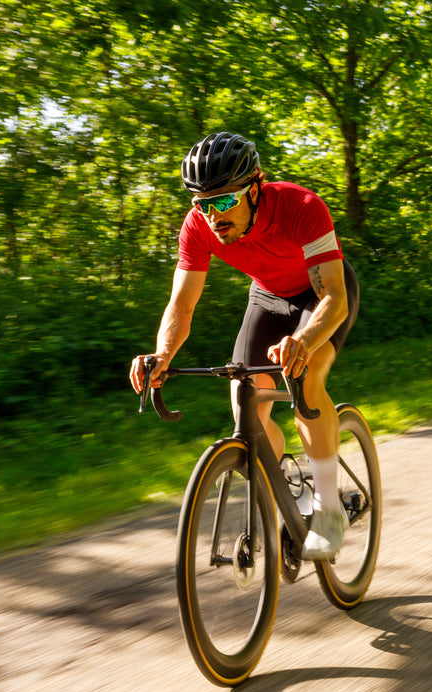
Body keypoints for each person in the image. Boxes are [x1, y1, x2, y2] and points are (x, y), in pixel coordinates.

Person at [129, 131, 360, 560]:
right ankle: (285, 490)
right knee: (244, 402)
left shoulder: (301, 207)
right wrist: (162, 355)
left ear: (255, 187)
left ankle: (329, 509)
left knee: (305, 380)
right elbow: (182, 305)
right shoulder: (198, 226)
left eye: (222, 201)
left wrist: (303, 342)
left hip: (322, 294)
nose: (212, 215)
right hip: (268, 298)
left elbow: (335, 296)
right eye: (201, 203)